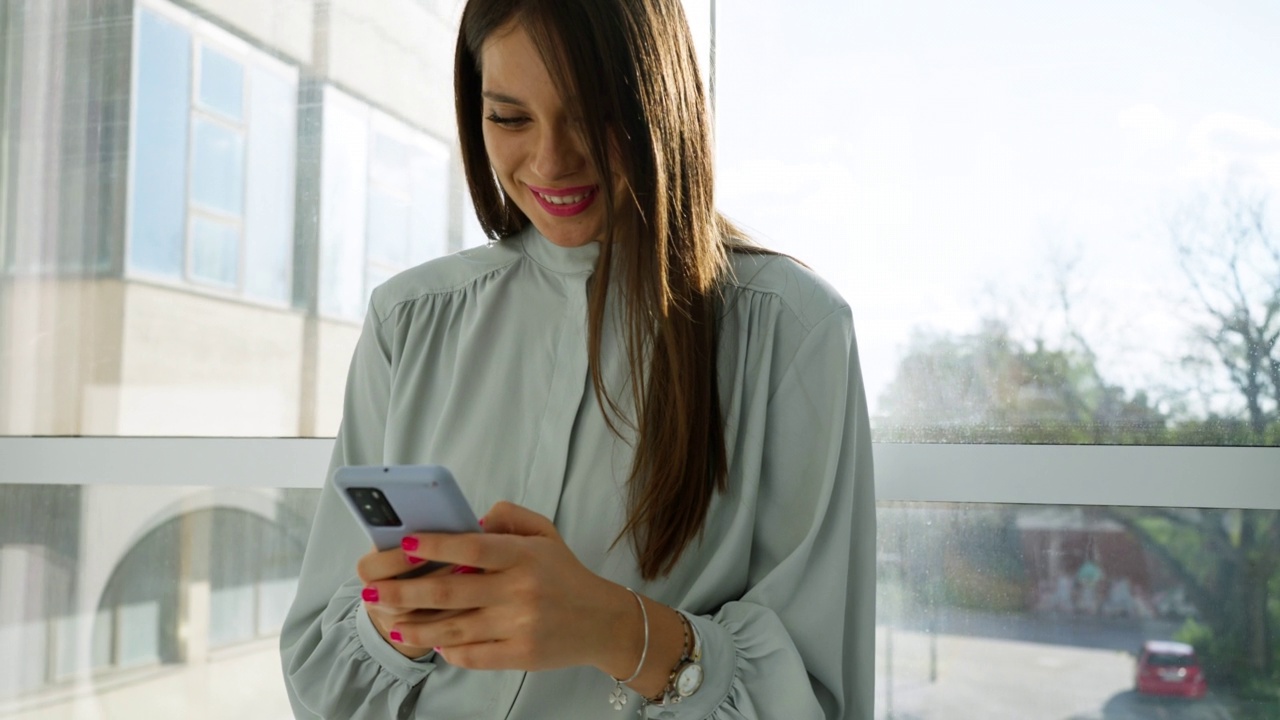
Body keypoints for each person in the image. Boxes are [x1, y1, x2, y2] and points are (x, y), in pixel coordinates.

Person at [279, 0, 876, 717]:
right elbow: (321, 670)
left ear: (662, 102)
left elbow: (810, 695)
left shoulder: (791, 331)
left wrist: (611, 626)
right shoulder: (408, 321)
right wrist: (404, 617)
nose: (552, 160)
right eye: (510, 118)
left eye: (594, 113)